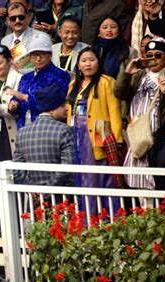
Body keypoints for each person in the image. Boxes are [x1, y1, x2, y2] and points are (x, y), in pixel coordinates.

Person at [115, 36, 165, 190]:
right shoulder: (137, 75)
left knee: (156, 182)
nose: (153, 58)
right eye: (149, 55)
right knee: (133, 179)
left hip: (158, 139)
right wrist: (127, 73)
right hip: (136, 137)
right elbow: (120, 93)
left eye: (158, 55)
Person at [66, 47, 123, 211]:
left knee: (102, 176)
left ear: (98, 62)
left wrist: (117, 138)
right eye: (84, 61)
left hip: (99, 130)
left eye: (92, 60)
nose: (88, 64)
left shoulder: (106, 82)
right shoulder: (73, 84)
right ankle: (86, 217)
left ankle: (107, 216)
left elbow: (114, 110)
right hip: (78, 132)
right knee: (82, 176)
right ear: (78, 65)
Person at [12, 84, 75, 187]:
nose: (67, 109)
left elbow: (17, 168)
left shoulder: (22, 132)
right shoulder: (64, 130)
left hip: (35, 199)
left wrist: (35, 190)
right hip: (62, 197)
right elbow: (67, 166)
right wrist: (47, 189)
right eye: (63, 105)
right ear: (51, 109)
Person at [8, 32, 71, 128]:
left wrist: (25, 97)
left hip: (48, 128)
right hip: (24, 127)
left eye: (42, 54)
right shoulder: (26, 77)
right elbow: (18, 99)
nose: (38, 58)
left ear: (50, 55)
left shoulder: (60, 75)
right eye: (34, 55)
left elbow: (54, 103)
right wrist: (14, 104)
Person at [1, 2, 45, 74]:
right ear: (8, 20)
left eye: (21, 17)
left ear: (28, 17)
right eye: (13, 18)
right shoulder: (4, 41)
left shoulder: (39, 37)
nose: (17, 21)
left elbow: (42, 67)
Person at [92, 15, 137, 80]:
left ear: (119, 32)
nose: (109, 30)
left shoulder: (130, 52)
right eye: (105, 27)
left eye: (113, 27)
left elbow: (133, 80)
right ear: (98, 33)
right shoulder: (92, 51)